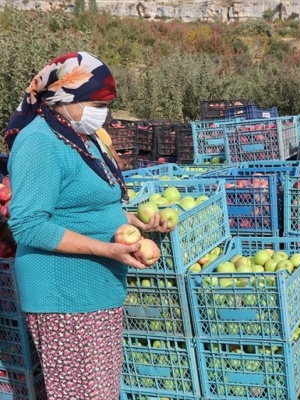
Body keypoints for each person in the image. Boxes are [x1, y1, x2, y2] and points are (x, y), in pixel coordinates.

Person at [3, 51, 173, 399]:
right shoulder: (39, 142)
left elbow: (90, 204)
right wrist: (107, 248)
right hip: (66, 294)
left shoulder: (80, 135)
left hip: (97, 289)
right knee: (81, 393)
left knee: (99, 390)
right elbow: (28, 225)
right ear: (65, 97)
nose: (103, 112)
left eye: (106, 104)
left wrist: (137, 220)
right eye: (95, 103)